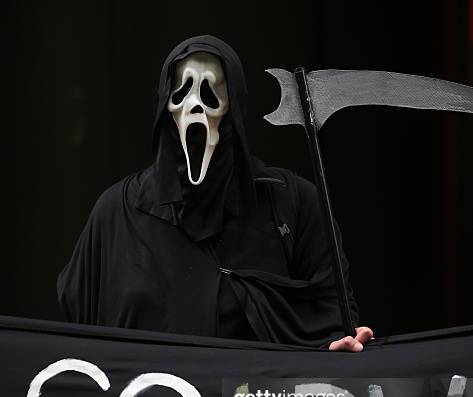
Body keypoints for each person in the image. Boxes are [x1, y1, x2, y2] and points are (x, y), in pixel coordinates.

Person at [57, 35, 373, 351]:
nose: (195, 105)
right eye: (182, 91)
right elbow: (78, 344)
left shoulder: (293, 203)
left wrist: (335, 350)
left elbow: (335, 317)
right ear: (166, 103)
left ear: (233, 106)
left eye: (211, 92)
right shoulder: (118, 213)